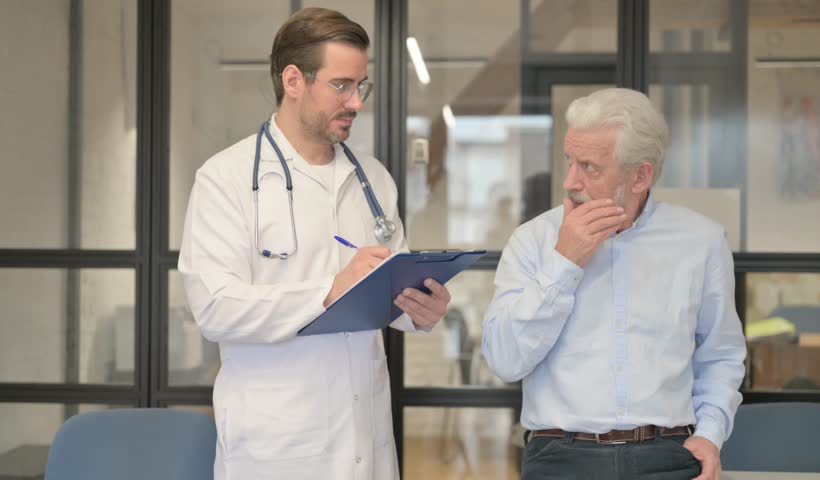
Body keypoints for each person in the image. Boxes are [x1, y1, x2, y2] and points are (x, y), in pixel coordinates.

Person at [178, 8, 450, 480]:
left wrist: (417, 308)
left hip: (366, 442)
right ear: (293, 80)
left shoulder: (375, 180)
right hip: (276, 447)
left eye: (361, 86)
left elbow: (386, 287)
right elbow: (215, 308)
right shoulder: (226, 179)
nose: (356, 102)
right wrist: (328, 290)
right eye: (341, 85)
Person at [481, 88, 746, 480]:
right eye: (569, 161)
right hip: (560, 457)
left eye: (590, 167)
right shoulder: (532, 241)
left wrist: (709, 434)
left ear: (640, 175)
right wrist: (564, 261)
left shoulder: (701, 241)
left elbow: (721, 354)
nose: (570, 180)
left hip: (667, 455)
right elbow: (505, 361)